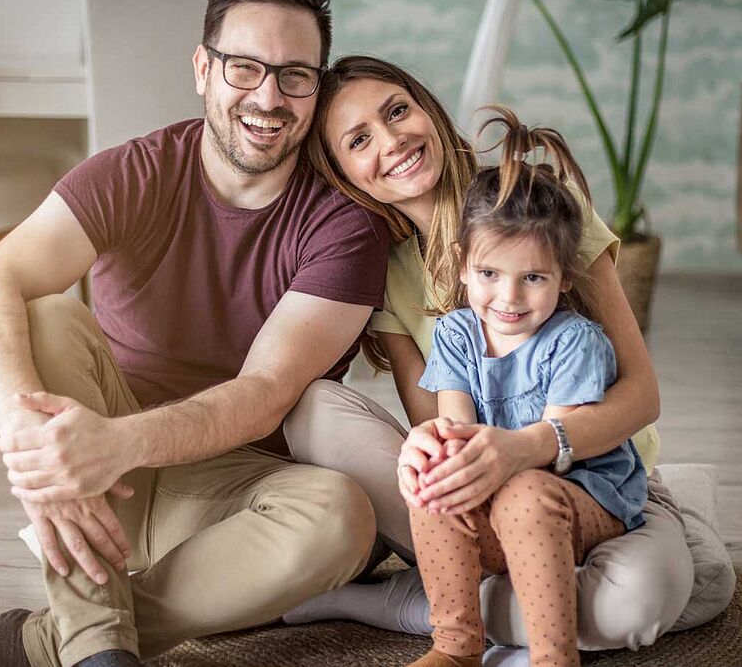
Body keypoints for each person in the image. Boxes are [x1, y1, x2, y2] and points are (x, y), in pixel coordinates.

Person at [0, 0, 391, 667]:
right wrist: (42, 452)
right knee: (43, 315)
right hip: (99, 491)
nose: (269, 99)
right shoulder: (137, 171)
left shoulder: (344, 225)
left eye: (294, 76)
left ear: (316, 88)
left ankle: (42, 639)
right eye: (244, 67)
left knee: (344, 515)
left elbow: (265, 390)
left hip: (229, 502)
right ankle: (100, 651)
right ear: (204, 69)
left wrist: (118, 442)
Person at [281, 57, 692, 661]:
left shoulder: (538, 208)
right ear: (342, 172)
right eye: (360, 139)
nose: (392, 141)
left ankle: (408, 603)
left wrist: (523, 450)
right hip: (477, 493)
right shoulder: (382, 268)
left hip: (587, 481)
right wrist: (431, 453)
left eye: (398, 111)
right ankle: (474, 609)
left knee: (630, 607)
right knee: (313, 409)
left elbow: (641, 395)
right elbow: (437, 424)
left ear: (428, 109)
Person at [404, 107, 648, 667]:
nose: (509, 298)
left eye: (533, 278)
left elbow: (556, 455)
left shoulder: (574, 341)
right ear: (464, 267)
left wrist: (488, 472)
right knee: (433, 486)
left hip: (581, 493)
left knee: (524, 493)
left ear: (563, 278)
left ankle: (553, 658)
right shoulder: (457, 333)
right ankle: (456, 646)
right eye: (490, 274)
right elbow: (456, 430)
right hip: (503, 492)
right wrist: (438, 464)